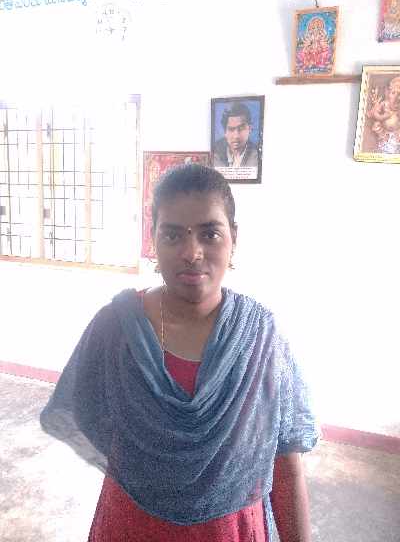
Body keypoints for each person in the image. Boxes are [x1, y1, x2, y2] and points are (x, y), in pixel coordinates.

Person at [40, 163, 319, 541]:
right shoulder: (117, 328)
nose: (192, 252)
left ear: (233, 237)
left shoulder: (259, 337)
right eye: (173, 235)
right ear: (152, 238)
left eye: (210, 233)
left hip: (229, 531)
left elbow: (286, 465)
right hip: (132, 525)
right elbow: (87, 413)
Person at [213, 102, 259, 167]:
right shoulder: (215, 153)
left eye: (241, 128)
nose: (236, 136)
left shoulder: (257, 154)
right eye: (231, 129)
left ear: (250, 128)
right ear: (225, 132)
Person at [367, 76, 400, 154]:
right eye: (393, 93)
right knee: (376, 125)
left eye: (399, 94)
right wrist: (383, 117)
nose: (396, 97)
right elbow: (373, 114)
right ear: (388, 93)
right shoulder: (384, 104)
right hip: (384, 131)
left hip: (396, 133)